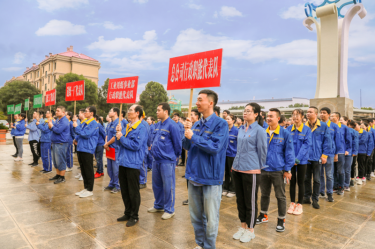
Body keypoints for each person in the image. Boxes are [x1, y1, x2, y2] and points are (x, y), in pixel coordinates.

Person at [183, 89, 228, 248]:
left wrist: (193, 136)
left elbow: (215, 147)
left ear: (211, 102)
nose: (196, 103)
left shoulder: (221, 124)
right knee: (195, 217)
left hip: (210, 178)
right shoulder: (196, 124)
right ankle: (200, 244)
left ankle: (209, 246)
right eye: (196, 99)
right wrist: (186, 132)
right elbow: (186, 146)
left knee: (211, 219)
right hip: (194, 176)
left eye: (200, 100)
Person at [231, 103, 267, 243]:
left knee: (250, 201)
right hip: (237, 168)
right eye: (244, 111)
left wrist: (258, 166)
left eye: (249, 111)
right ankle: (243, 226)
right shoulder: (241, 128)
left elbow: (262, 151)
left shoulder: (259, 130)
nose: (245, 113)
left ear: (256, 114)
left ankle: (251, 230)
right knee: (240, 199)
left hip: (251, 169)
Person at [256, 108, 294, 233]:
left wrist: (287, 170)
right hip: (263, 169)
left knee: (280, 196)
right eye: (267, 116)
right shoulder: (262, 132)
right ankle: (263, 215)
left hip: (278, 170)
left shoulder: (285, 133)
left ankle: (281, 220)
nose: (268, 118)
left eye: (271, 116)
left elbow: (289, 152)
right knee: (264, 194)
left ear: (278, 118)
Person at [148, 103, 182, 220]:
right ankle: (159, 205)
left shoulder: (172, 125)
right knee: (156, 185)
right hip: (156, 160)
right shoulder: (157, 125)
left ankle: (169, 209)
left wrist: (175, 157)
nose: (156, 112)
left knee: (168, 186)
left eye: (158, 110)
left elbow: (178, 144)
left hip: (167, 160)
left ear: (166, 111)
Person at [116, 105, 148, 227]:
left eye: (131, 111)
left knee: (133, 191)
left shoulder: (141, 127)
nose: (128, 112)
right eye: (128, 110)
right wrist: (118, 133)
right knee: (124, 190)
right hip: (123, 162)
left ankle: (134, 216)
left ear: (137, 113)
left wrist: (122, 138)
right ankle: (127, 212)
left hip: (133, 163)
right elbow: (119, 142)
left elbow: (136, 145)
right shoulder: (127, 126)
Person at [303, 106, 331, 208]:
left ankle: (315, 199)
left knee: (316, 179)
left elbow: (327, 142)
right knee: (306, 178)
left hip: (317, 157)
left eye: (310, 112)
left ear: (316, 114)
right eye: (307, 112)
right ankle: (306, 197)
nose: (308, 114)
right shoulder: (304, 126)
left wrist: (324, 155)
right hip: (305, 157)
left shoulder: (323, 126)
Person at [286, 109, 311, 215]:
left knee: (301, 182)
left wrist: (298, 158)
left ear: (302, 117)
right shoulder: (288, 129)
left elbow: (306, 145)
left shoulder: (306, 129)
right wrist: (290, 159)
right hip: (290, 160)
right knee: (292, 182)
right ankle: (292, 203)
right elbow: (286, 144)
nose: (295, 117)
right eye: (293, 115)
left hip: (302, 161)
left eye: (297, 115)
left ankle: (299, 204)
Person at [73, 106, 99, 198]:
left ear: (92, 113)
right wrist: (76, 138)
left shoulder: (93, 123)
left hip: (87, 148)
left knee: (88, 170)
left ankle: (90, 189)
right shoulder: (85, 122)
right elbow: (80, 132)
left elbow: (86, 134)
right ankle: (86, 187)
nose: (84, 113)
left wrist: (76, 127)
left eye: (86, 111)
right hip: (81, 147)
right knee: (83, 169)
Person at [319, 107, 342, 198]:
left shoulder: (334, 126)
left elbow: (338, 141)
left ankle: (329, 193)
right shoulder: (318, 125)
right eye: (321, 113)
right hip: (319, 154)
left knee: (329, 175)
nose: (322, 114)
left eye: (324, 113)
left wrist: (336, 154)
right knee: (319, 174)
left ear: (329, 115)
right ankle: (321, 192)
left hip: (330, 154)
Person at [182, 109, 201, 206]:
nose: (191, 117)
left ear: (197, 116)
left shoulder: (199, 126)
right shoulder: (190, 126)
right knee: (188, 177)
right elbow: (185, 143)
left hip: (196, 157)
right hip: (189, 155)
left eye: (193, 115)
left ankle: (194, 199)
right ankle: (190, 197)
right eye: (190, 115)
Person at [48, 106, 70, 184]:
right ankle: (58, 174)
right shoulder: (58, 120)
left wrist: (52, 125)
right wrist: (50, 124)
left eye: (58, 111)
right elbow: (53, 128)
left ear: (63, 112)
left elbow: (58, 130)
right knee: (56, 161)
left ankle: (62, 177)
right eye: (56, 111)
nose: (56, 112)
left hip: (61, 143)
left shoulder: (64, 121)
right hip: (55, 142)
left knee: (61, 160)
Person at [103, 107, 122, 193]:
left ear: (115, 113)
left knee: (115, 169)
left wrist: (107, 144)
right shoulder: (110, 123)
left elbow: (115, 137)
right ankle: (111, 183)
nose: (109, 112)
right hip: (109, 148)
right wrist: (106, 143)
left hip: (115, 149)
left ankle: (117, 186)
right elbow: (107, 134)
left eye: (110, 111)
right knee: (109, 168)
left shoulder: (118, 123)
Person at [333, 113, 352, 193]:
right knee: (333, 171)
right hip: (331, 152)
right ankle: (335, 186)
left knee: (340, 171)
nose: (331, 117)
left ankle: (341, 187)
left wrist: (348, 149)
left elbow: (348, 140)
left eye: (332, 116)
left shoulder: (344, 128)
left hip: (341, 152)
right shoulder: (330, 126)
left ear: (337, 117)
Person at [222, 114, 238, 198]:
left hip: (233, 155)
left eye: (228, 119)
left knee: (232, 173)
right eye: (225, 119)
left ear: (233, 121)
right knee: (226, 173)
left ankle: (233, 189)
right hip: (225, 154)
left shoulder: (236, 131)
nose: (226, 120)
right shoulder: (224, 130)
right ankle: (225, 188)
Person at [139, 112, 151, 189]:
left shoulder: (144, 124)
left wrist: (149, 145)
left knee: (142, 165)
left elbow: (148, 136)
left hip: (143, 148)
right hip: (137, 148)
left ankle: (143, 181)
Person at [346, 120, 359, 187]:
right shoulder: (355, 132)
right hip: (351, 152)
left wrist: (354, 152)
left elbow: (355, 142)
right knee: (351, 167)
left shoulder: (352, 131)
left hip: (350, 152)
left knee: (349, 167)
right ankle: (350, 181)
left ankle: (349, 182)